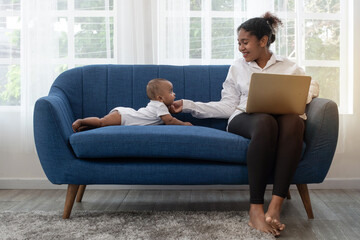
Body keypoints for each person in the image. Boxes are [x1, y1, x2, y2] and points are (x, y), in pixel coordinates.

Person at [171, 12, 319, 236]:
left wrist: (298, 97)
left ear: (263, 41)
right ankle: (256, 210)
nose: (241, 48)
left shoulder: (289, 66)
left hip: (281, 118)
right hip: (245, 118)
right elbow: (227, 106)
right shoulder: (237, 68)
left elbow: (311, 87)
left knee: (294, 123)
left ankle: (275, 207)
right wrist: (190, 105)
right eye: (238, 43)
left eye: (245, 42)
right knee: (266, 122)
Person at [72, 78, 192, 132]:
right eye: (171, 92)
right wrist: (184, 124)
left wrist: (170, 108)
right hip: (125, 116)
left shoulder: (159, 105)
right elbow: (169, 121)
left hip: (127, 116)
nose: (174, 94)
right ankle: (82, 121)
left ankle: (84, 128)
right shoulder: (160, 106)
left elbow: (164, 115)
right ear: (160, 98)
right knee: (101, 122)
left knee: (102, 125)